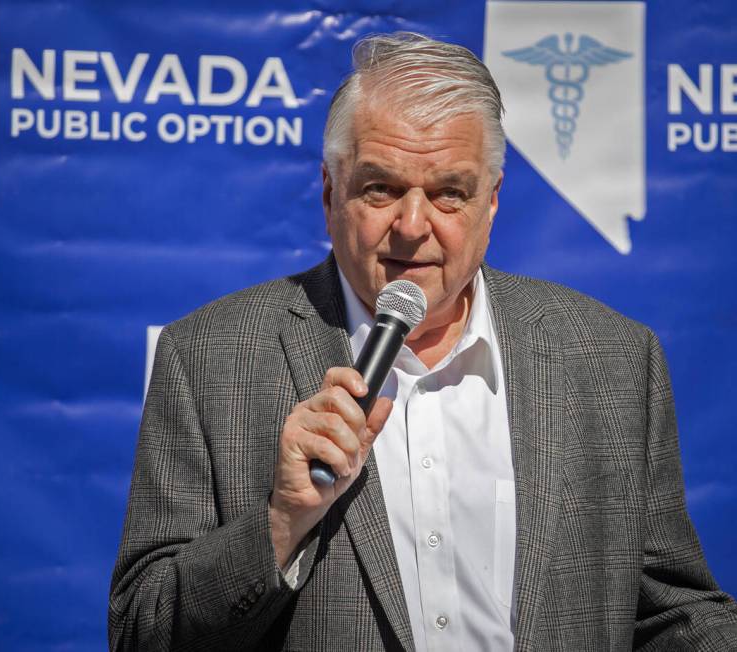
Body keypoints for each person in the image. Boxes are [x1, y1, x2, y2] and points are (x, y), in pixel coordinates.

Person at [109, 32, 737, 651]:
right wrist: (279, 524)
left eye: (448, 194)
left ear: (490, 204)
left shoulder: (612, 359)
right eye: (380, 188)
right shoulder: (208, 356)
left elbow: (669, 612)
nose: (413, 226)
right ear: (331, 194)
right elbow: (142, 630)